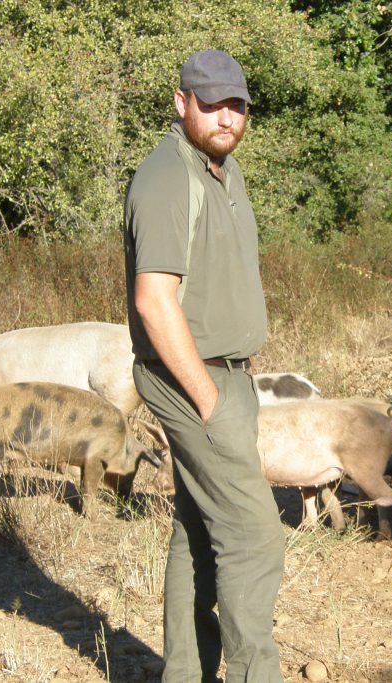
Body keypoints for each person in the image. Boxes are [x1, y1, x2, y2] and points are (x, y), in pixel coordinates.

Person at [123, 49, 284, 682]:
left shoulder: (223, 168)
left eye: (236, 105)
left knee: (198, 535)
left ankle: (185, 675)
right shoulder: (167, 177)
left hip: (227, 376)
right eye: (211, 103)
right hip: (192, 379)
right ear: (181, 102)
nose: (226, 116)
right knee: (254, 536)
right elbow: (154, 300)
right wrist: (206, 397)